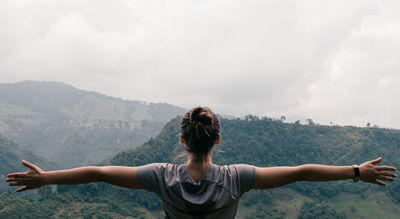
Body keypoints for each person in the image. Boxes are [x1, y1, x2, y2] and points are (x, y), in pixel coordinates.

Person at [6, 106, 397, 219]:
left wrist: (47, 179)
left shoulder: (161, 177)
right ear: (218, 141)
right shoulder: (237, 179)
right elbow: (300, 172)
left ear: (181, 140)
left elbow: (99, 173)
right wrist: (355, 173)